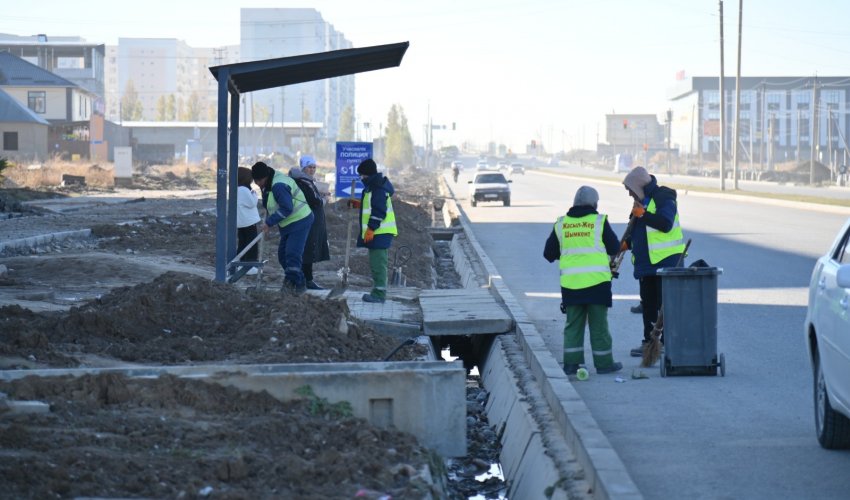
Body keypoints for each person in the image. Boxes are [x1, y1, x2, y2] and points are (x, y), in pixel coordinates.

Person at [544, 185, 623, 375]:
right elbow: (614, 248)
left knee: (573, 326)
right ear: (595, 203)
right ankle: (604, 365)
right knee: (599, 326)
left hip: (571, 286)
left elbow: (548, 254)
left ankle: (572, 364)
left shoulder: (561, 224)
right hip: (597, 284)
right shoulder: (599, 222)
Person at [622, 166, 686, 357]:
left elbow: (665, 224)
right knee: (648, 305)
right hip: (647, 265)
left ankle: (667, 343)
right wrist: (626, 244)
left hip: (667, 264)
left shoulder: (664, 197)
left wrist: (644, 215)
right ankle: (650, 344)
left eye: (630, 189)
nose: (629, 193)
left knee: (665, 306)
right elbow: (638, 232)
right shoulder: (641, 202)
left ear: (639, 186)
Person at [251, 160, 314, 295]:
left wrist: (269, 222)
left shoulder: (278, 185)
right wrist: (269, 220)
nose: (257, 184)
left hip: (300, 220)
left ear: (265, 177)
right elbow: (272, 204)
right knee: (282, 256)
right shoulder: (268, 184)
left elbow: (286, 208)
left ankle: (298, 283)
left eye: (258, 181)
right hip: (287, 224)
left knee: (292, 254)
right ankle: (291, 279)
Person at [355, 158, 397, 303]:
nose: (361, 179)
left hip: (380, 231)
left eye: (362, 176)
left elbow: (379, 211)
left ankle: (379, 295)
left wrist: (371, 229)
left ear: (368, 175)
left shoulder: (377, 188)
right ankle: (377, 292)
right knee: (376, 263)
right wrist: (357, 205)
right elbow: (371, 205)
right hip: (379, 232)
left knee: (378, 264)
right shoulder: (374, 186)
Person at [289, 155, 330, 290]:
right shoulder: (303, 182)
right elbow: (314, 201)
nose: (312, 170)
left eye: (314, 167)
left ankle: (306, 278)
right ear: (303, 168)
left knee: (308, 249)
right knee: (307, 250)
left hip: (311, 219)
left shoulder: (306, 181)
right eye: (309, 167)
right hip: (308, 220)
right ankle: (306, 280)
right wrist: (324, 200)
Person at [236, 166, 262, 275]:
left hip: (242, 221)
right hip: (248, 221)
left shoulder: (237, 188)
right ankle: (249, 266)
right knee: (251, 244)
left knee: (243, 242)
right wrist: (254, 193)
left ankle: (240, 263)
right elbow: (252, 202)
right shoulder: (244, 189)